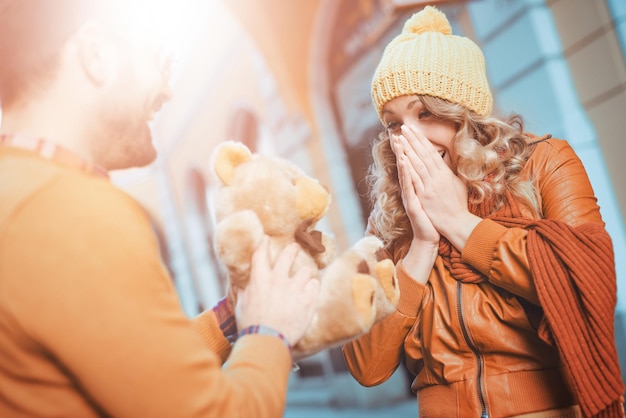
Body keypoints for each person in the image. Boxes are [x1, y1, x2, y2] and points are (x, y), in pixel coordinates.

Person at [0, 1, 320, 417]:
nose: (168, 91)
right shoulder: (71, 212)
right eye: (155, 58)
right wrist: (269, 330)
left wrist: (231, 317)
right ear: (96, 54)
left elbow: (132, 366)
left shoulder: (24, 192)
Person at [342, 5, 625, 418]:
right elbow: (367, 367)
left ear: (465, 114)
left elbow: (587, 280)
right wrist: (422, 245)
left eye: (426, 113)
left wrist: (458, 222)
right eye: (393, 123)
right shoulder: (388, 216)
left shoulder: (543, 163)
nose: (409, 138)